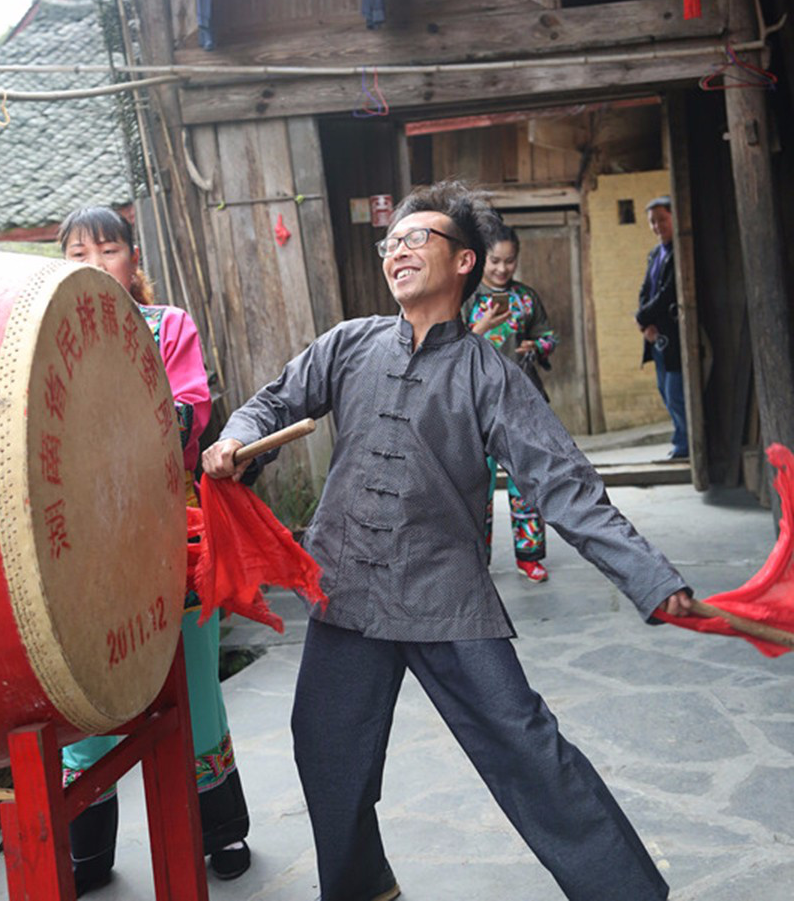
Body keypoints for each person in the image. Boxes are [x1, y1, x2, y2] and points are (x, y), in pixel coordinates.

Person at [204, 179, 692, 901]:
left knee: (529, 752)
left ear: (465, 261)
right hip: (346, 588)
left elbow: (565, 485)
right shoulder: (350, 343)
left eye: (416, 238)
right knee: (326, 748)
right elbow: (274, 400)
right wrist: (238, 436)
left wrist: (650, 578)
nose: (397, 251)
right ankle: (361, 885)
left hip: (443, 594)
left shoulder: (490, 374)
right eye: (391, 241)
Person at [58, 207, 251, 894]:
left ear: (132, 259)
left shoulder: (167, 326)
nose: (94, 263)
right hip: (82, 552)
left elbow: (188, 414)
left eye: (108, 249)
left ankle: (222, 831)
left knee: (193, 690)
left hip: (168, 532)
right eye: (78, 252)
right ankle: (86, 853)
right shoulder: (45, 340)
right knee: (83, 699)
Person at [462, 219, 557, 582]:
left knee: (526, 484)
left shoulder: (527, 297)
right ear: (481, 259)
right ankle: (476, 562)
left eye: (510, 261)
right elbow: (450, 346)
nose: (503, 269)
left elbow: (548, 336)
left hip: (522, 404)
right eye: (495, 261)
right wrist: (481, 327)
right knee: (475, 489)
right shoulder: (466, 297)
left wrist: (537, 344)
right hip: (475, 407)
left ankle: (529, 557)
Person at [636, 196, 689, 460]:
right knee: (663, 389)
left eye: (661, 220)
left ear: (673, 217)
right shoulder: (655, 254)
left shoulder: (680, 251)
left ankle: (685, 443)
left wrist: (642, 316)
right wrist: (644, 324)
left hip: (673, 335)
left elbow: (668, 294)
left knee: (675, 391)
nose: (657, 226)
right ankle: (681, 439)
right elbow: (645, 291)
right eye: (652, 222)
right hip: (655, 337)